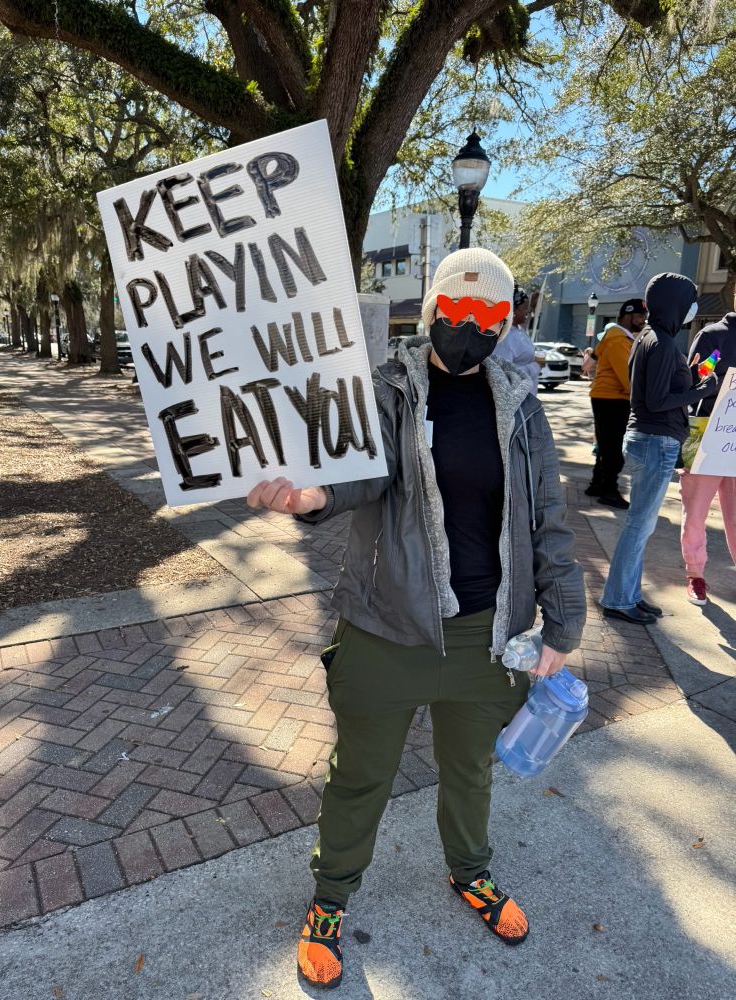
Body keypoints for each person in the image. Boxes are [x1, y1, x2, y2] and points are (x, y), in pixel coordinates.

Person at [247, 247, 586, 989]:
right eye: (455, 311)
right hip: (386, 627)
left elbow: (548, 521)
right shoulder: (388, 390)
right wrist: (310, 498)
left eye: (487, 316)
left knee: (469, 771)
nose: (467, 326)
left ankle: (471, 872)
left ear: (508, 321)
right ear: (431, 309)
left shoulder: (522, 407)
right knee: (360, 775)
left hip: (486, 634)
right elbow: (360, 472)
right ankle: (331, 899)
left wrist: (562, 623)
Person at [599, 273, 718, 624]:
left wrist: (691, 379)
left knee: (641, 525)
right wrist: (701, 390)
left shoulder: (649, 337)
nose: (691, 308)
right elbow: (658, 399)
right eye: (688, 301)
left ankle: (629, 595)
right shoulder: (662, 342)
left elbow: (657, 392)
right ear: (674, 303)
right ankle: (619, 599)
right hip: (655, 441)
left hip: (646, 439)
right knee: (639, 526)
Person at [679, 300, 736, 604]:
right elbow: (698, 375)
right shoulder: (716, 335)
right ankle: (695, 575)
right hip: (707, 434)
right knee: (696, 510)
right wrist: (719, 372)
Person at [585, 298, 649, 509]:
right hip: (612, 398)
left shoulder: (619, 337)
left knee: (606, 444)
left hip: (608, 397)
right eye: (640, 316)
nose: (643, 320)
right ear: (627, 316)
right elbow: (627, 376)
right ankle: (609, 490)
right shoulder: (619, 340)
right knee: (613, 447)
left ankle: (598, 484)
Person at [493, 283, 543, 394]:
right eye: (525, 308)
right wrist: (535, 366)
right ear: (513, 311)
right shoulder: (506, 337)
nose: (529, 310)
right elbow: (505, 372)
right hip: (515, 401)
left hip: (526, 399)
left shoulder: (519, 329)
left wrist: (535, 304)